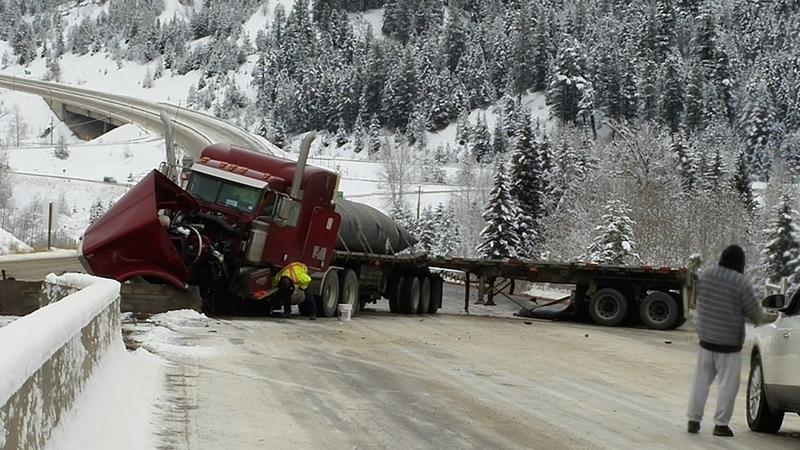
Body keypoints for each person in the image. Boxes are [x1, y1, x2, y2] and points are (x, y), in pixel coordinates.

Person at [687, 245, 767, 437]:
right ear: (740, 263)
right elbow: (753, 312)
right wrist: (762, 318)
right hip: (729, 345)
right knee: (728, 386)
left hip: (706, 340)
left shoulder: (707, 275)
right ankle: (721, 424)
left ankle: (693, 419)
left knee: (700, 382)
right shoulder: (740, 282)